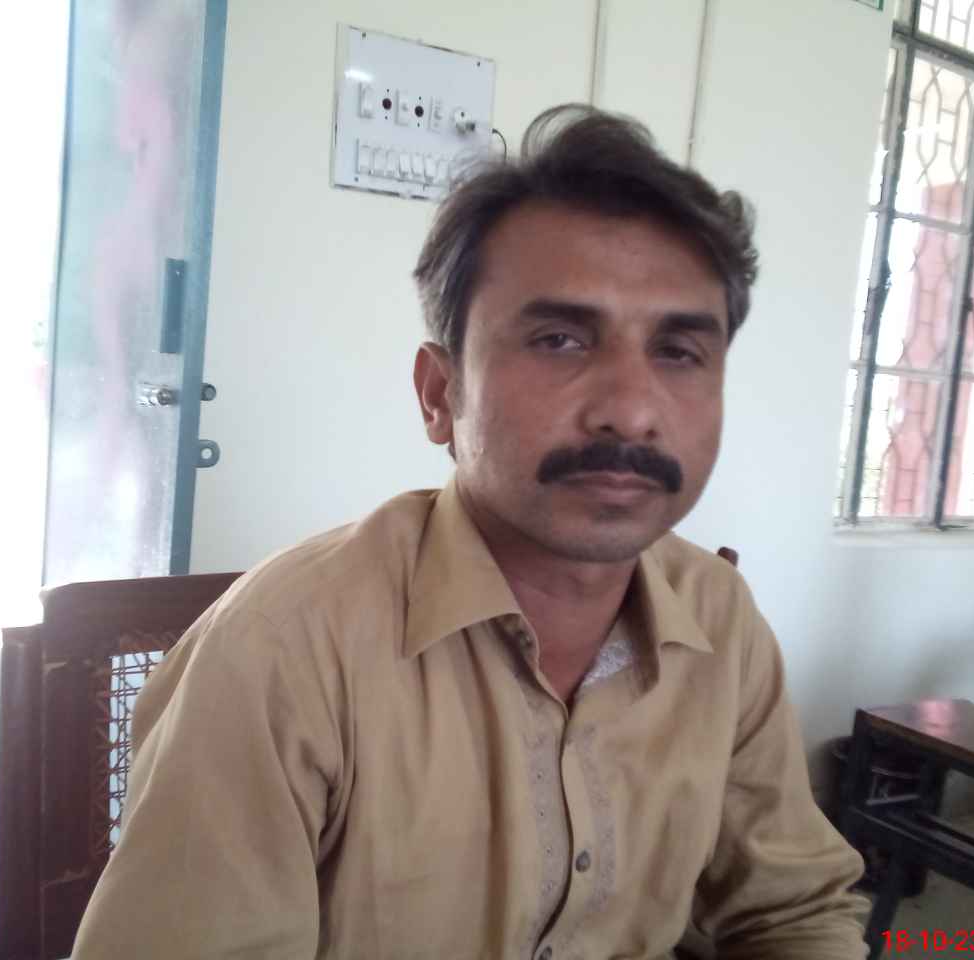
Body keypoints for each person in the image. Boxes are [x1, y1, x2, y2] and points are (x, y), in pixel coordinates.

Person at [72, 103, 867, 960]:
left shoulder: (720, 619)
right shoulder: (279, 654)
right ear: (438, 395)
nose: (632, 410)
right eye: (560, 339)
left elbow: (793, 914)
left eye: (678, 352)